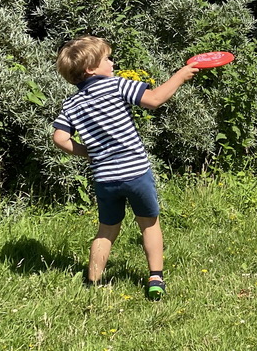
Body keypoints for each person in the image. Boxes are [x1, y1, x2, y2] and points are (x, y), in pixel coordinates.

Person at [52, 36, 199, 300]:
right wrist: (180, 75)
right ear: (91, 68)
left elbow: (60, 138)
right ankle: (156, 278)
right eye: (107, 58)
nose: (112, 62)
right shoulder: (116, 86)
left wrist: (90, 153)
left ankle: (93, 283)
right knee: (149, 224)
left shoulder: (72, 104)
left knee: (107, 229)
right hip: (136, 173)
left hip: (105, 178)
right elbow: (154, 99)